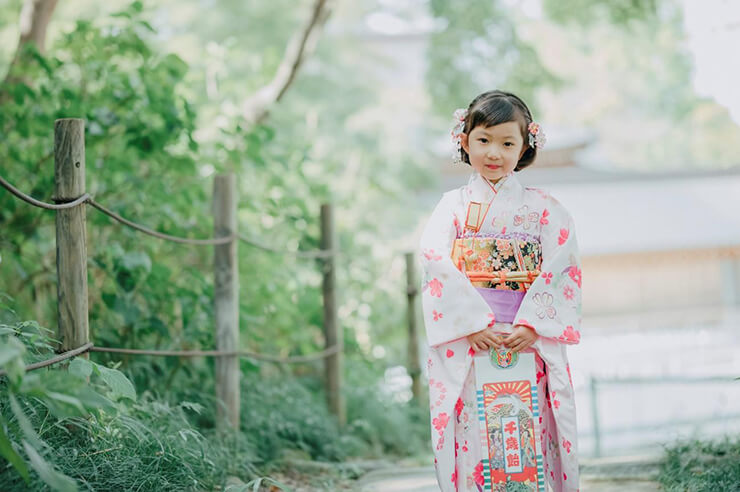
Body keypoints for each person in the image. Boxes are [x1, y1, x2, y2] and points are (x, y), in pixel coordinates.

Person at [419, 90, 582, 492]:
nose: (494, 152)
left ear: (525, 147)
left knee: (529, 433)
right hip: (474, 344)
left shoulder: (546, 208)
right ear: (465, 141)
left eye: (508, 143)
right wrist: (471, 325)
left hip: (528, 340)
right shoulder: (451, 208)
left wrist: (533, 324)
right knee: (476, 435)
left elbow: (563, 267)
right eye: (484, 140)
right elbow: (435, 262)